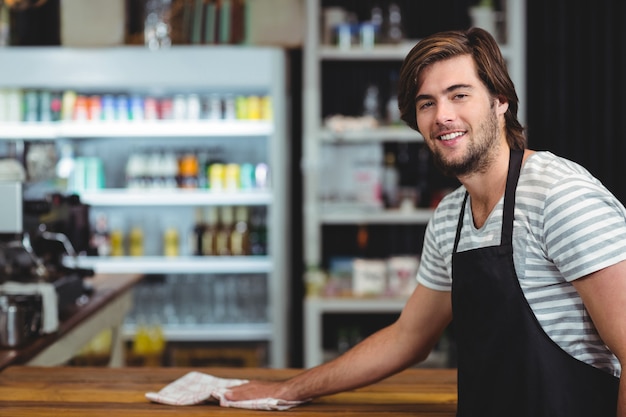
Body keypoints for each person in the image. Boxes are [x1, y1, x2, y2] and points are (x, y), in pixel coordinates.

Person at [226, 28, 626, 416]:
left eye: (459, 95)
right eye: (427, 103)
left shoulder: (559, 196)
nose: (443, 116)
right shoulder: (450, 218)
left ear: (500, 101)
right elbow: (408, 338)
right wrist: (288, 390)